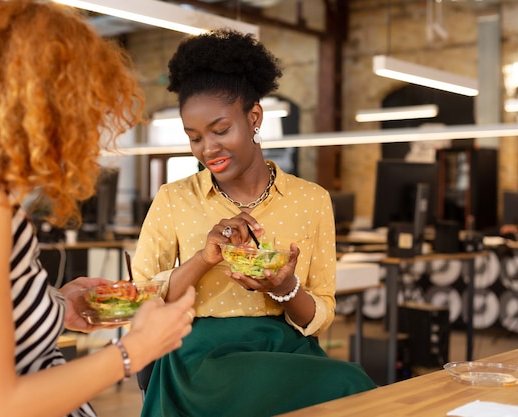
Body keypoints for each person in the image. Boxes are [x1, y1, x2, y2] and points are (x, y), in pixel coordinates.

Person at [0, 2, 196, 417]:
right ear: (43, 109)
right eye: (85, 108)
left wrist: (56, 306)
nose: (91, 128)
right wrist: (135, 350)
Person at [131, 29, 376, 417]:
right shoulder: (173, 199)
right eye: (194, 137)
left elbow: (320, 314)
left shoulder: (311, 201)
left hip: (286, 346)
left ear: (255, 116)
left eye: (221, 130)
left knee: (355, 392)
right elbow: (141, 301)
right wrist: (204, 259)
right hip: (200, 358)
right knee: (349, 383)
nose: (207, 149)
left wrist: (285, 287)